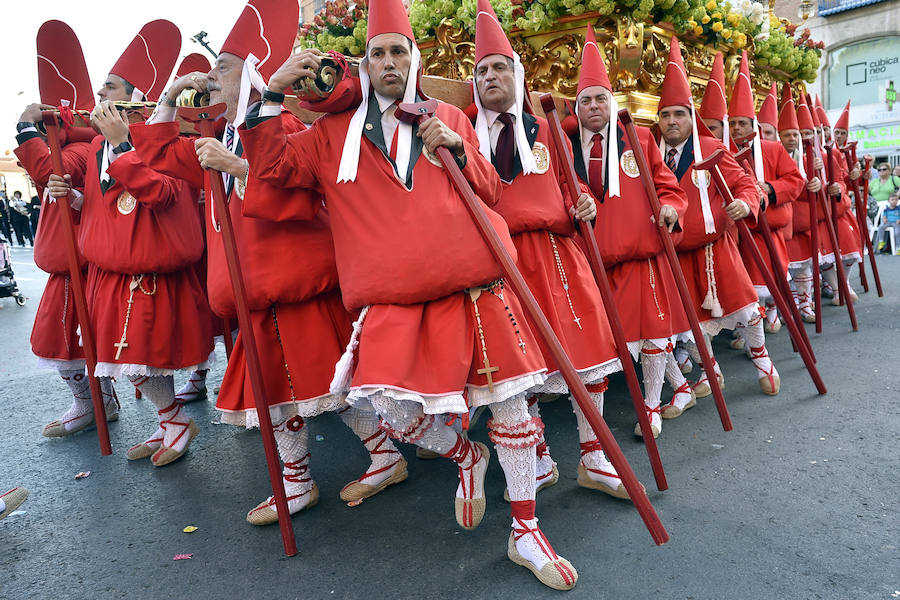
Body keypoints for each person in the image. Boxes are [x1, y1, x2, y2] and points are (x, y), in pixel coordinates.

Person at [240, 0, 586, 588]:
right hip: (391, 299)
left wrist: (455, 142)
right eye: (378, 53)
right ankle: (463, 456)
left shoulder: (447, 112)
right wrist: (271, 93)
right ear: (364, 64)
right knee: (394, 411)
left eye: (399, 51)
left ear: (413, 58)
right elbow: (271, 168)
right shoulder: (328, 134)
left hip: (473, 288)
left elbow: (489, 191)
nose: (389, 61)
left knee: (511, 408)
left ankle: (527, 529)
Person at [132, 0, 407, 523]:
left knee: (333, 391)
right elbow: (158, 154)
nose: (211, 79)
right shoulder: (216, 135)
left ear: (253, 78)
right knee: (278, 401)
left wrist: (237, 165)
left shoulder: (282, 124)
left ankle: (386, 453)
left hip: (299, 286)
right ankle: (297, 481)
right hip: (254, 294)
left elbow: (304, 196)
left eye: (223, 70)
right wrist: (168, 97)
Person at [468, 0, 626, 501]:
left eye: (499, 68)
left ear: (516, 75)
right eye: (482, 70)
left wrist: (582, 202)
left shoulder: (547, 130)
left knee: (590, 354)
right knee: (524, 365)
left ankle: (593, 454)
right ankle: (536, 453)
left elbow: (569, 182)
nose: (491, 76)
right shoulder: (462, 136)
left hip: (559, 258)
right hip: (501, 264)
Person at [47, 20, 214, 467]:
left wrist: (123, 146)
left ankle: (175, 419)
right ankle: (169, 422)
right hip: (110, 272)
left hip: (150, 272)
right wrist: (75, 196)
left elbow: (160, 194)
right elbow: (107, 203)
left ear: (138, 100)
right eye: (101, 91)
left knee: (139, 358)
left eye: (110, 90)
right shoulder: (102, 141)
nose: (99, 100)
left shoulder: (169, 140)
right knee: (123, 359)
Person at [568, 25, 690, 438]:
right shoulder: (562, 142)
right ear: (576, 106)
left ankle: (652, 407)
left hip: (640, 259)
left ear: (612, 101)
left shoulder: (639, 139)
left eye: (601, 98)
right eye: (586, 100)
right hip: (591, 267)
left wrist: (671, 210)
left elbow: (667, 186)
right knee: (603, 347)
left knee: (654, 337)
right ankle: (594, 432)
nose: (594, 106)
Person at [657, 43, 777, 400]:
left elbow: (744, 183)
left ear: (690, 117)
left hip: (717, 249)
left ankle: (762, 360)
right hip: (676, 254)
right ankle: (711, 372)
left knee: (745, 309)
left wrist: (744, 201)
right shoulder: (650, 153)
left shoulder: (711, 148)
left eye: (679, 114)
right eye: (665, 115)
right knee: (689, 324)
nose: (672, 121)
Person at [15, 101, 121, 438]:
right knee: (61, 343)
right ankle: (93, 403)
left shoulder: (77, 149)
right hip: (65, 267)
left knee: (73, 343)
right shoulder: (75, 146)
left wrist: (25, 125)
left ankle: (99, 404)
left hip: (79, 266)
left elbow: (48, 171)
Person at [730, 80, 804, 351]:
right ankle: (749, 334)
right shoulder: (727, 153)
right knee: (744, 290)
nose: (737, 128)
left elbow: (795, 181)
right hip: (739, 235)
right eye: (733, 123)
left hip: (768, 233)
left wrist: (770, 189)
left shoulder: (772, 149)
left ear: (754, 125)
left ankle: (758, 341)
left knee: (764, 288)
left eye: (742, 123)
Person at [779, 91, 822, 324]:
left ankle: (805, 304)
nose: (793, 139)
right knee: (785, 269)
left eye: (796, 134)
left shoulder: (809, 159)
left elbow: (821, 191)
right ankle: (789, 306)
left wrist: (817, 182)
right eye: (787, 135)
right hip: (784, 224)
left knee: (804, 267)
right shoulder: (773, 156)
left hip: (803, 223)